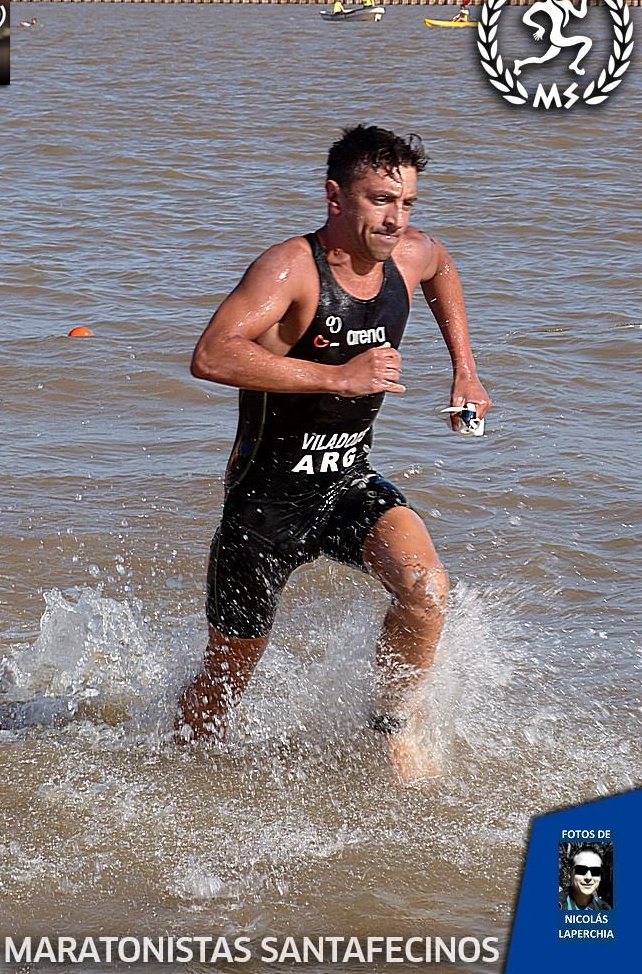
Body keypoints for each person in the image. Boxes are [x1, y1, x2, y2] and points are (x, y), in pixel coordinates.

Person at [174, 125, 491, 783]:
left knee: (426, 591)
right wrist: (337, 377)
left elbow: (442, 266)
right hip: (264, 504)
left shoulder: (408, 255)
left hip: (346, 479)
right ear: (335, 197)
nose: (395, 219)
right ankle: (176, 771)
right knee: (226, 680)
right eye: (380, 200)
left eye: (405, 203)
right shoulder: (290, 268)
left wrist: (465, 369)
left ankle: (390, 727)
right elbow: (212, 354)